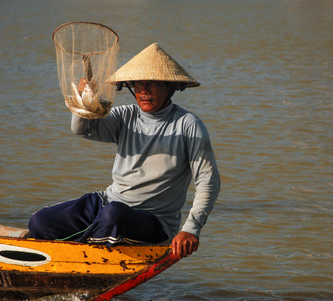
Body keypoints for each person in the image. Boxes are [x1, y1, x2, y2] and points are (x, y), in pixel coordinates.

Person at [28, 43, 220, 259]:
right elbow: (82, 129)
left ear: (170, 87)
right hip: (108, 202)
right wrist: (84, 100)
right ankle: (82, 246)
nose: (144, 91)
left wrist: (190, 229)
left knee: (113, 216)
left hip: (152, 221)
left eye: (153, 84)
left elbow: (208, 181)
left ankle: (79, 251)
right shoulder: (125, 115)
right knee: (40, 221)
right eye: (139, 83)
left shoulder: (188, 124)